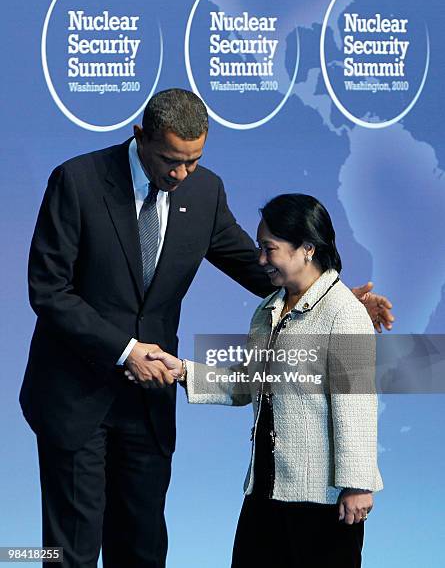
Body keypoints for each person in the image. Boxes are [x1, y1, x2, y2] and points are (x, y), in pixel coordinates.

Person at [20, 89, 391, 568]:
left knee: (143, 545)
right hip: (74, 396)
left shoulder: (204, 190)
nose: (181, 174)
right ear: (141, 137)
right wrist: (124, 349)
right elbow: (48, 290)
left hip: (148, 408)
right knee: (69, 549)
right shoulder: (77, 180)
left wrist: (330, 296)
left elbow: (257, 266)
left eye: (193, 161)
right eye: (171, 161)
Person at [146, 193, 383, 568]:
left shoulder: (345, 314)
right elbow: (246, 383)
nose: (260, 260)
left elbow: (356, 405)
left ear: (307, 248)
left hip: (323, 501)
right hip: (264, 492)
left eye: (269, 249)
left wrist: (358, 484)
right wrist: (183, 370)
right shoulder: (267, 309)